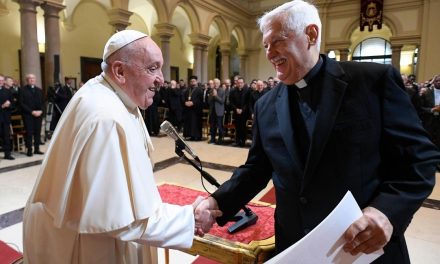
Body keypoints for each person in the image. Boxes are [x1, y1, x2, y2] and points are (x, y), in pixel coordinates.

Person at [196, 1, 439, 263]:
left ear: (311, 35)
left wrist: (386, 212)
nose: (269, 52)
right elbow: (256, 170)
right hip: (296, 246)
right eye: (265, 45)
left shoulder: (372, 82)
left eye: (277, 41)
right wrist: (216, 203)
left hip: (363, 248)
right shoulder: (266, 104)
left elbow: (420, 159)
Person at [23, 30, 221, 263]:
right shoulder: (106, 118)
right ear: (119, 71)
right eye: (152, 68)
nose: (161, 78)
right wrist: (190, 219)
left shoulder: (114, 94)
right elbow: (117, 219)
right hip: (85, 245)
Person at [19, 73, 44, 156]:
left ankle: (37, 149)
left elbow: (43, 102)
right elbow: (21, 103)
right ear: (27, 80)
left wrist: (41, 111)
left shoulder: (39, 90)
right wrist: (31, 112)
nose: (32, 79)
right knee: (29, 133)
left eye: (33, 78)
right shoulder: (22, 90)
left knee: (37, 132)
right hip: (28, 115)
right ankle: (29, 149)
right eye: (30, 78)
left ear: (35, 80)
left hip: (38, 115)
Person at [0, 75, 15, 159]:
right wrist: (2, 106)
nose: (1, 82)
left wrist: (8, 105)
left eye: (2, 80)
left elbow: (13, 105)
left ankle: (7, 154)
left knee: (6, 136)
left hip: (5, 118)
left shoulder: (7, 91)